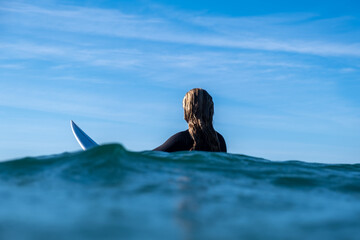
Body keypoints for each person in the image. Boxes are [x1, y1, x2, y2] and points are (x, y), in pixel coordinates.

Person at [153, 88, 227, 152]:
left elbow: (150, 157)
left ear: (188, 110)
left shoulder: (181, 139)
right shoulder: (219, 141)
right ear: (210, 110)